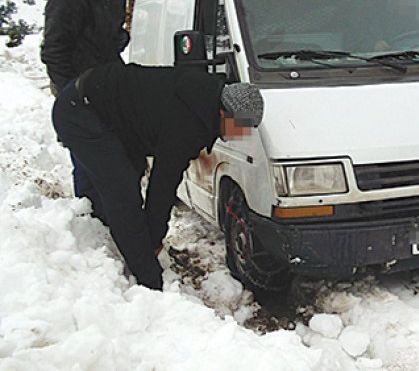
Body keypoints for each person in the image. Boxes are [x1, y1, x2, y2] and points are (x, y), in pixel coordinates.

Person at [51, 62, 264, 290]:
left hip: (103, 110)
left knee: (125, 181)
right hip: (81, 112)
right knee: (123, 194)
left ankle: (105, 238)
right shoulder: (188, 123)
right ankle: (148, 282)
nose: (241, 134)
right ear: (223, 112)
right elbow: (163, 185)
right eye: (240, 125)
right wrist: (153, 241)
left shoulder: (205, 100)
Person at [41, 0, 153, 221]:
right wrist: (71, 94)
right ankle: (91, 223)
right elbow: (54, 50)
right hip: (78, 91)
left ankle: (116, 218)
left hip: (108, 85)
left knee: (120, 153)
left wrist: (118, 43)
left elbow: (110, 35)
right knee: (89, 158)